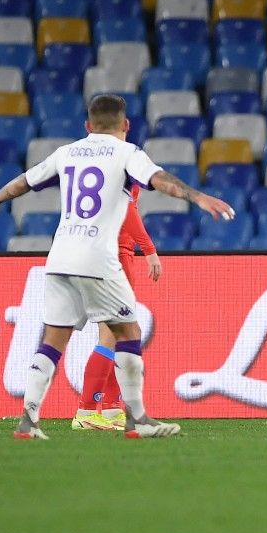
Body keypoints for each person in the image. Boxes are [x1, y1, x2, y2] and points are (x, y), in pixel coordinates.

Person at [0, 94, 234, 440]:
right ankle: (137, 419)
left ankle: (28, 421)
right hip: (98, 259)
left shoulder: (67, 152)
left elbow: (24, 181)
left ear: (87, 126)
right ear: (125, 125)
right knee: (129, 333)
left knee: (53, 340)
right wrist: (197, 196)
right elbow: (159, 180)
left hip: (59, 258)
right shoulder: (127, 153)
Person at [73, 185, 161, 432]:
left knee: (124, 333)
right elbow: (126, 207)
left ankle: (111, 408)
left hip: (106, 251)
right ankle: (87, 410)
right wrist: (150, 249)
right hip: (115, 255)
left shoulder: (101, 160)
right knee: (114, 334)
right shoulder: (119, 160)